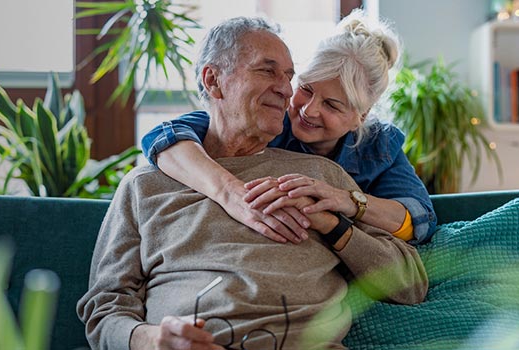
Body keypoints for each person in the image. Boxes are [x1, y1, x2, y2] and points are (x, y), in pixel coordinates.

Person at [78, 16, 428, 350]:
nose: (288, 92)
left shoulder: (325, 179)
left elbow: (411, 278)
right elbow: (104, 308)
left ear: (358, 117)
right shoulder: (148, 184)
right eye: (267, 71)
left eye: (289, 76)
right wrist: (150, 340)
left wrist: (335, 224)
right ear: (213, 81)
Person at [139, 10, 436, 246]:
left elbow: (419, 219)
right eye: (305, 89)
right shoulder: (268, 121)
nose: (309, 110)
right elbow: (164, 137)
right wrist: (229, 192)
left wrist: (347, 200)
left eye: (332, 105)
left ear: (361, 115)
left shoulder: (379, 146)